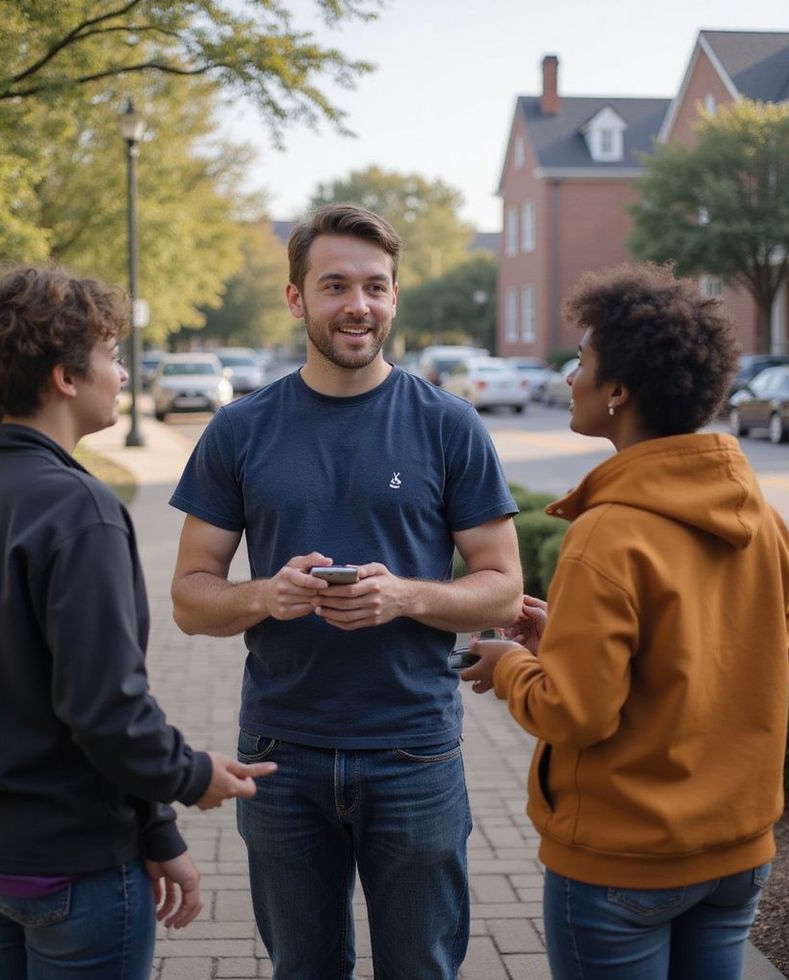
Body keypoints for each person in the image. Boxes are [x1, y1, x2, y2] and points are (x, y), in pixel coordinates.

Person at [168, 203, 523, 979]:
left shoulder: (448, 425)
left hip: (415, 751)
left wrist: (406, 598)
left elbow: (503, 590)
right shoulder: (239, 429)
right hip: (280, 754)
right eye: (334, 286)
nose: (356, 305)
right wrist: (267, 595)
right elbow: (191, 599)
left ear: (395, 297)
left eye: (374, 287)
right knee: (303, 969)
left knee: (422, 969)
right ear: (296, 298)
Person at [0, 265, 276, 980]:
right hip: (68, 870)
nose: (123, 375)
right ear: (65, 378)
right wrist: (192, 776)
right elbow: (105, 710)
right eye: (112, 356)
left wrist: (154, 827)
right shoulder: (79, 511)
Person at [462, 263, 789, 980]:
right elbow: (740, 665)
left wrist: (511, 665)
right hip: (738, 853)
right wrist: (564, 641)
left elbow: (575, 714)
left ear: (617, 391)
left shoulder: (608, 534)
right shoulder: (763, 521)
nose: (570, 379)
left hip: (623, 861)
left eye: (581, 363)